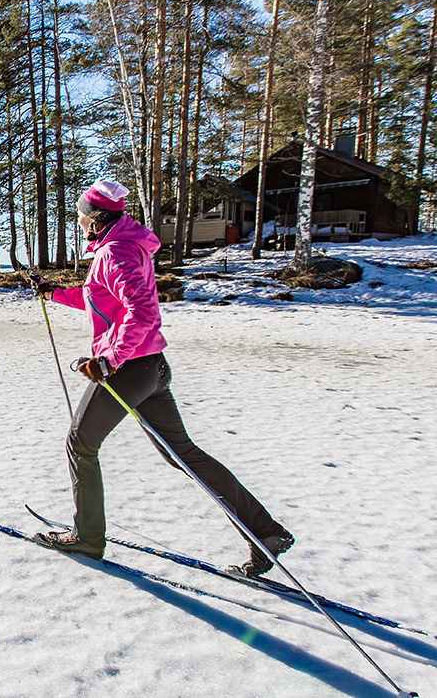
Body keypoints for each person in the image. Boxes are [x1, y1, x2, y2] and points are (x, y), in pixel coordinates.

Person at [34, 180, 293, 578]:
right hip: (151, 367)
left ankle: (87, 537)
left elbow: (143, 312)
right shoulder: (121, 249)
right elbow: (97, 296)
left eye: (81, 214)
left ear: (94, 217)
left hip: (128, 369)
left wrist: (112, 360)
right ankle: (266, 533)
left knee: (80, 444)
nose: (79, 221)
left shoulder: (115, 253)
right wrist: (53, 293)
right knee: (181, 454)